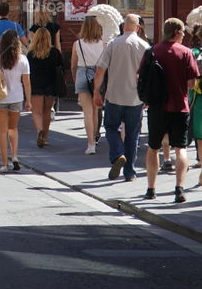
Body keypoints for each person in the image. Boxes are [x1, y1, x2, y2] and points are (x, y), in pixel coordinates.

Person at [143, 17, 200, 204]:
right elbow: (192, 82)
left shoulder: (151, 51)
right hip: (179, 107)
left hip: (156, 107)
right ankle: (179, 189)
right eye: (183, 32)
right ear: (176, 32)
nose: (184, 35)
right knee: (180, 148)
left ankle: (151, 189)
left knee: (153, 148)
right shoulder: (185, 53)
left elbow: (141, 77)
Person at [93, 12, 149, 184]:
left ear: (124, 26)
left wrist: (96, 91)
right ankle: (129, 172)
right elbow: (148, 75)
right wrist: (147, 96)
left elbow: (100, 70)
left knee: (110, 127)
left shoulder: (113, 44)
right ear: (138, 27)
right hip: (135, 98)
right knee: (133, 134)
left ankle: (117, 153)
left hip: (114, 95)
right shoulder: (145, 46)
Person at [0, 29, 31, 172]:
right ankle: (15, 156)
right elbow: (27, 82)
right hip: (17, 97)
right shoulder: (23, 59)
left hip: (1, 97)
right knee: (13, 128)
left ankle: (4, 163)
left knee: (1, 131)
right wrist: (28, 100)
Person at [71, 14, 104, 154]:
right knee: (96, 110)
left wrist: (75, 79)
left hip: (82, 74)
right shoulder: (104, 44)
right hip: (98, 75)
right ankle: (96, 137)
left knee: (87, 112)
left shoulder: (77, 44)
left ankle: (90, 144)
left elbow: (73, 65)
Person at [27, 27, 64, 147]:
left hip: (36, 85)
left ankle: (39, 131)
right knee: (47, 111)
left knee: (36, 112)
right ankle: (46, 136)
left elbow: (28, 71)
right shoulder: (55, 53)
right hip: (51, 85)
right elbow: (62, 67)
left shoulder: (31, 54)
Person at [187, 23, 202, 179]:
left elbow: (190, 79)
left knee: (199, 131)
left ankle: (200, 161)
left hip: (198, 97)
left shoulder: (194, 53)